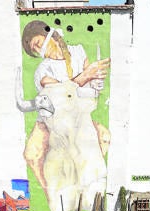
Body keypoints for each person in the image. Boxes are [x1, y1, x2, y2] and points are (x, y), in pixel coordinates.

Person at [20, 20, 111, 196]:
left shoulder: (78, 51)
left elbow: (87, 92)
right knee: (31, 154)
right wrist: (85, 77)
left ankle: (85, 184)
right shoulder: (42, 70)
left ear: (49, 34)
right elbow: (61, 95)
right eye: (35, 51)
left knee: (104, 137)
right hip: (51, 121)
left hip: (77, 115)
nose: (40, 51)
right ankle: (49, 192)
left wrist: (95, 84)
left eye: (38, 44)